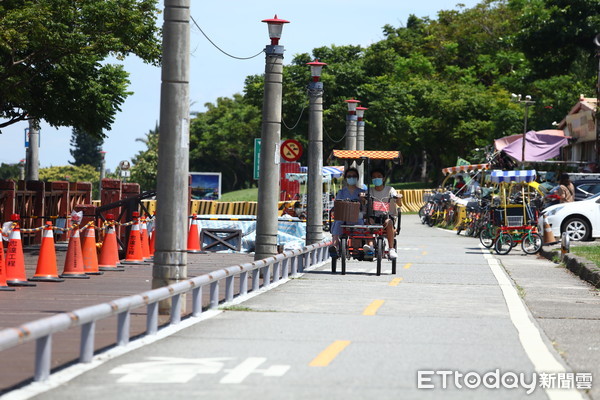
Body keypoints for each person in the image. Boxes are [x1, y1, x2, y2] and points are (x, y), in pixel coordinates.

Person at [364, 168, 402, 260]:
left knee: (389, 222)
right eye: (374, 177)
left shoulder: (390, 189)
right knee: (368, 221)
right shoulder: (370, 190)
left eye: (379, 177)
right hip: (374, 216)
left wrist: (398, 198)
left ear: (383, 178)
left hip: (387, 216)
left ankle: (391, 249)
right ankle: (371, 246)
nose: (376, 179)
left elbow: (399, 203)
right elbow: (364, 202)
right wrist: (363, 198)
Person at [330, 167, 365, 256]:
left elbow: (365, 206)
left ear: (357, 178)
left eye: (353, 176)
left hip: (357, 216)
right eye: (349, 176)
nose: (351, 178)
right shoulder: (341, 192)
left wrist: (362, 199)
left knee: (360, 222)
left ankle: (357, 246)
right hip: (344, 215)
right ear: (346, 178)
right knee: (338, 221)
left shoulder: (362, 192)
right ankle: (334, 244)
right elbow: (337, 204)